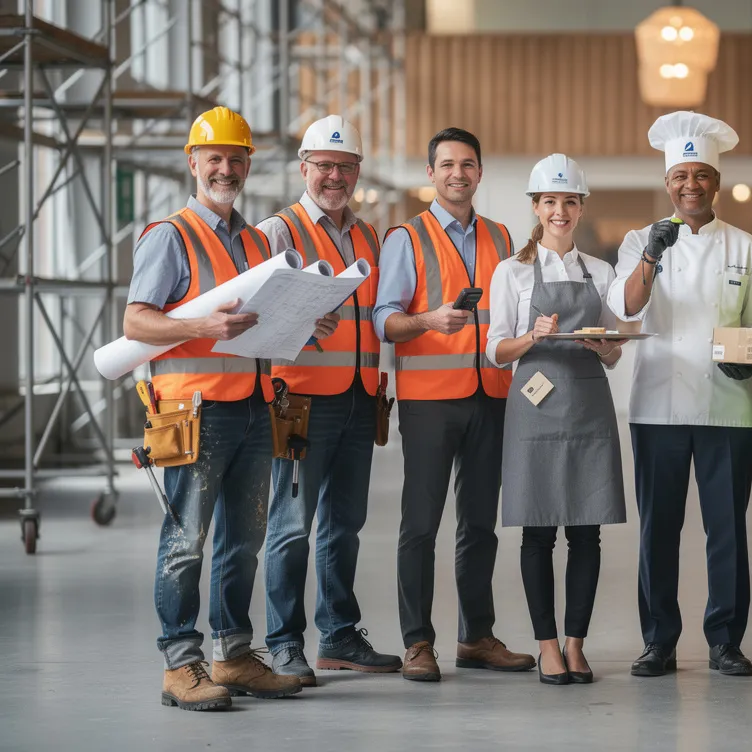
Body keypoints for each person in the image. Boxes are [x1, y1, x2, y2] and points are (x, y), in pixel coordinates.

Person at [124, 107, 336, 710]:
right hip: (194, 411)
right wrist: (200, 323)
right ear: (193, 163)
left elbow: (259, 326)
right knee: (186, 538)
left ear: (247, 165)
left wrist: (305, 326)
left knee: (243, 538)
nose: (225, 168)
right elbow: (136, 320)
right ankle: (180, 663)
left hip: (250, 406)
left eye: (235, 158)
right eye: (214, 158)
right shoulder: (169, 235)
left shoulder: (254, 241)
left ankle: (234, 655)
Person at [610, 111, 752, 678]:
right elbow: (626, 307)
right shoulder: (637, 241)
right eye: (680, 176)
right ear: (668, 183)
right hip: (656, 406)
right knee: (659, 529)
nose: (690, 186)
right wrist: (653, 254)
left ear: (717, 183)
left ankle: (725, 640)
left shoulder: (746, 247)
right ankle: (659, 640)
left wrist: (750, 367)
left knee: (727, 529)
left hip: (726, 409)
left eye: (700, 175)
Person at [374, 127, 534, 681]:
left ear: (480, 172)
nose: (457, 173)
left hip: (491, 398)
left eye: (467, 163)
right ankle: (418, 641)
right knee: (420, 525)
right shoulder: (406, 238)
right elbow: (384, 322)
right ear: (431, 173)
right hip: (428, 403)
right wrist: (428, 319)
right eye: (446, 164)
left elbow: (509, 319)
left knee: (480, 527)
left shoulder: (500, 236)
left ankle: (476, 636)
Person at [255, 115, 401, 686]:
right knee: (291, 525)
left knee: (345, 524)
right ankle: (285, 642)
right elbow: (256, 321)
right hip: (300, 401)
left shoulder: (367, 236)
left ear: (357, 172)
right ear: (304, 168)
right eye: (324, 166)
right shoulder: (279, 232)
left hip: (360, 397)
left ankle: (339, 634)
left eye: (344, 167)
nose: (334, 177)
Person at [486, 154, 628, 686]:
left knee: (587, 533)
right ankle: (547, 645)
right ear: (536, 207)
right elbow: (497, 350)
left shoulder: (602, 271)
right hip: (535, 407)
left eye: (570, 201)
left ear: (581, 207)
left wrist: (603, 346)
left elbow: (614, 351)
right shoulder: (512, 271)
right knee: (538, 532)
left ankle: (576, 643)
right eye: (550, 201)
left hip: (589, 406)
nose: (560, 211)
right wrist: (533, 338)